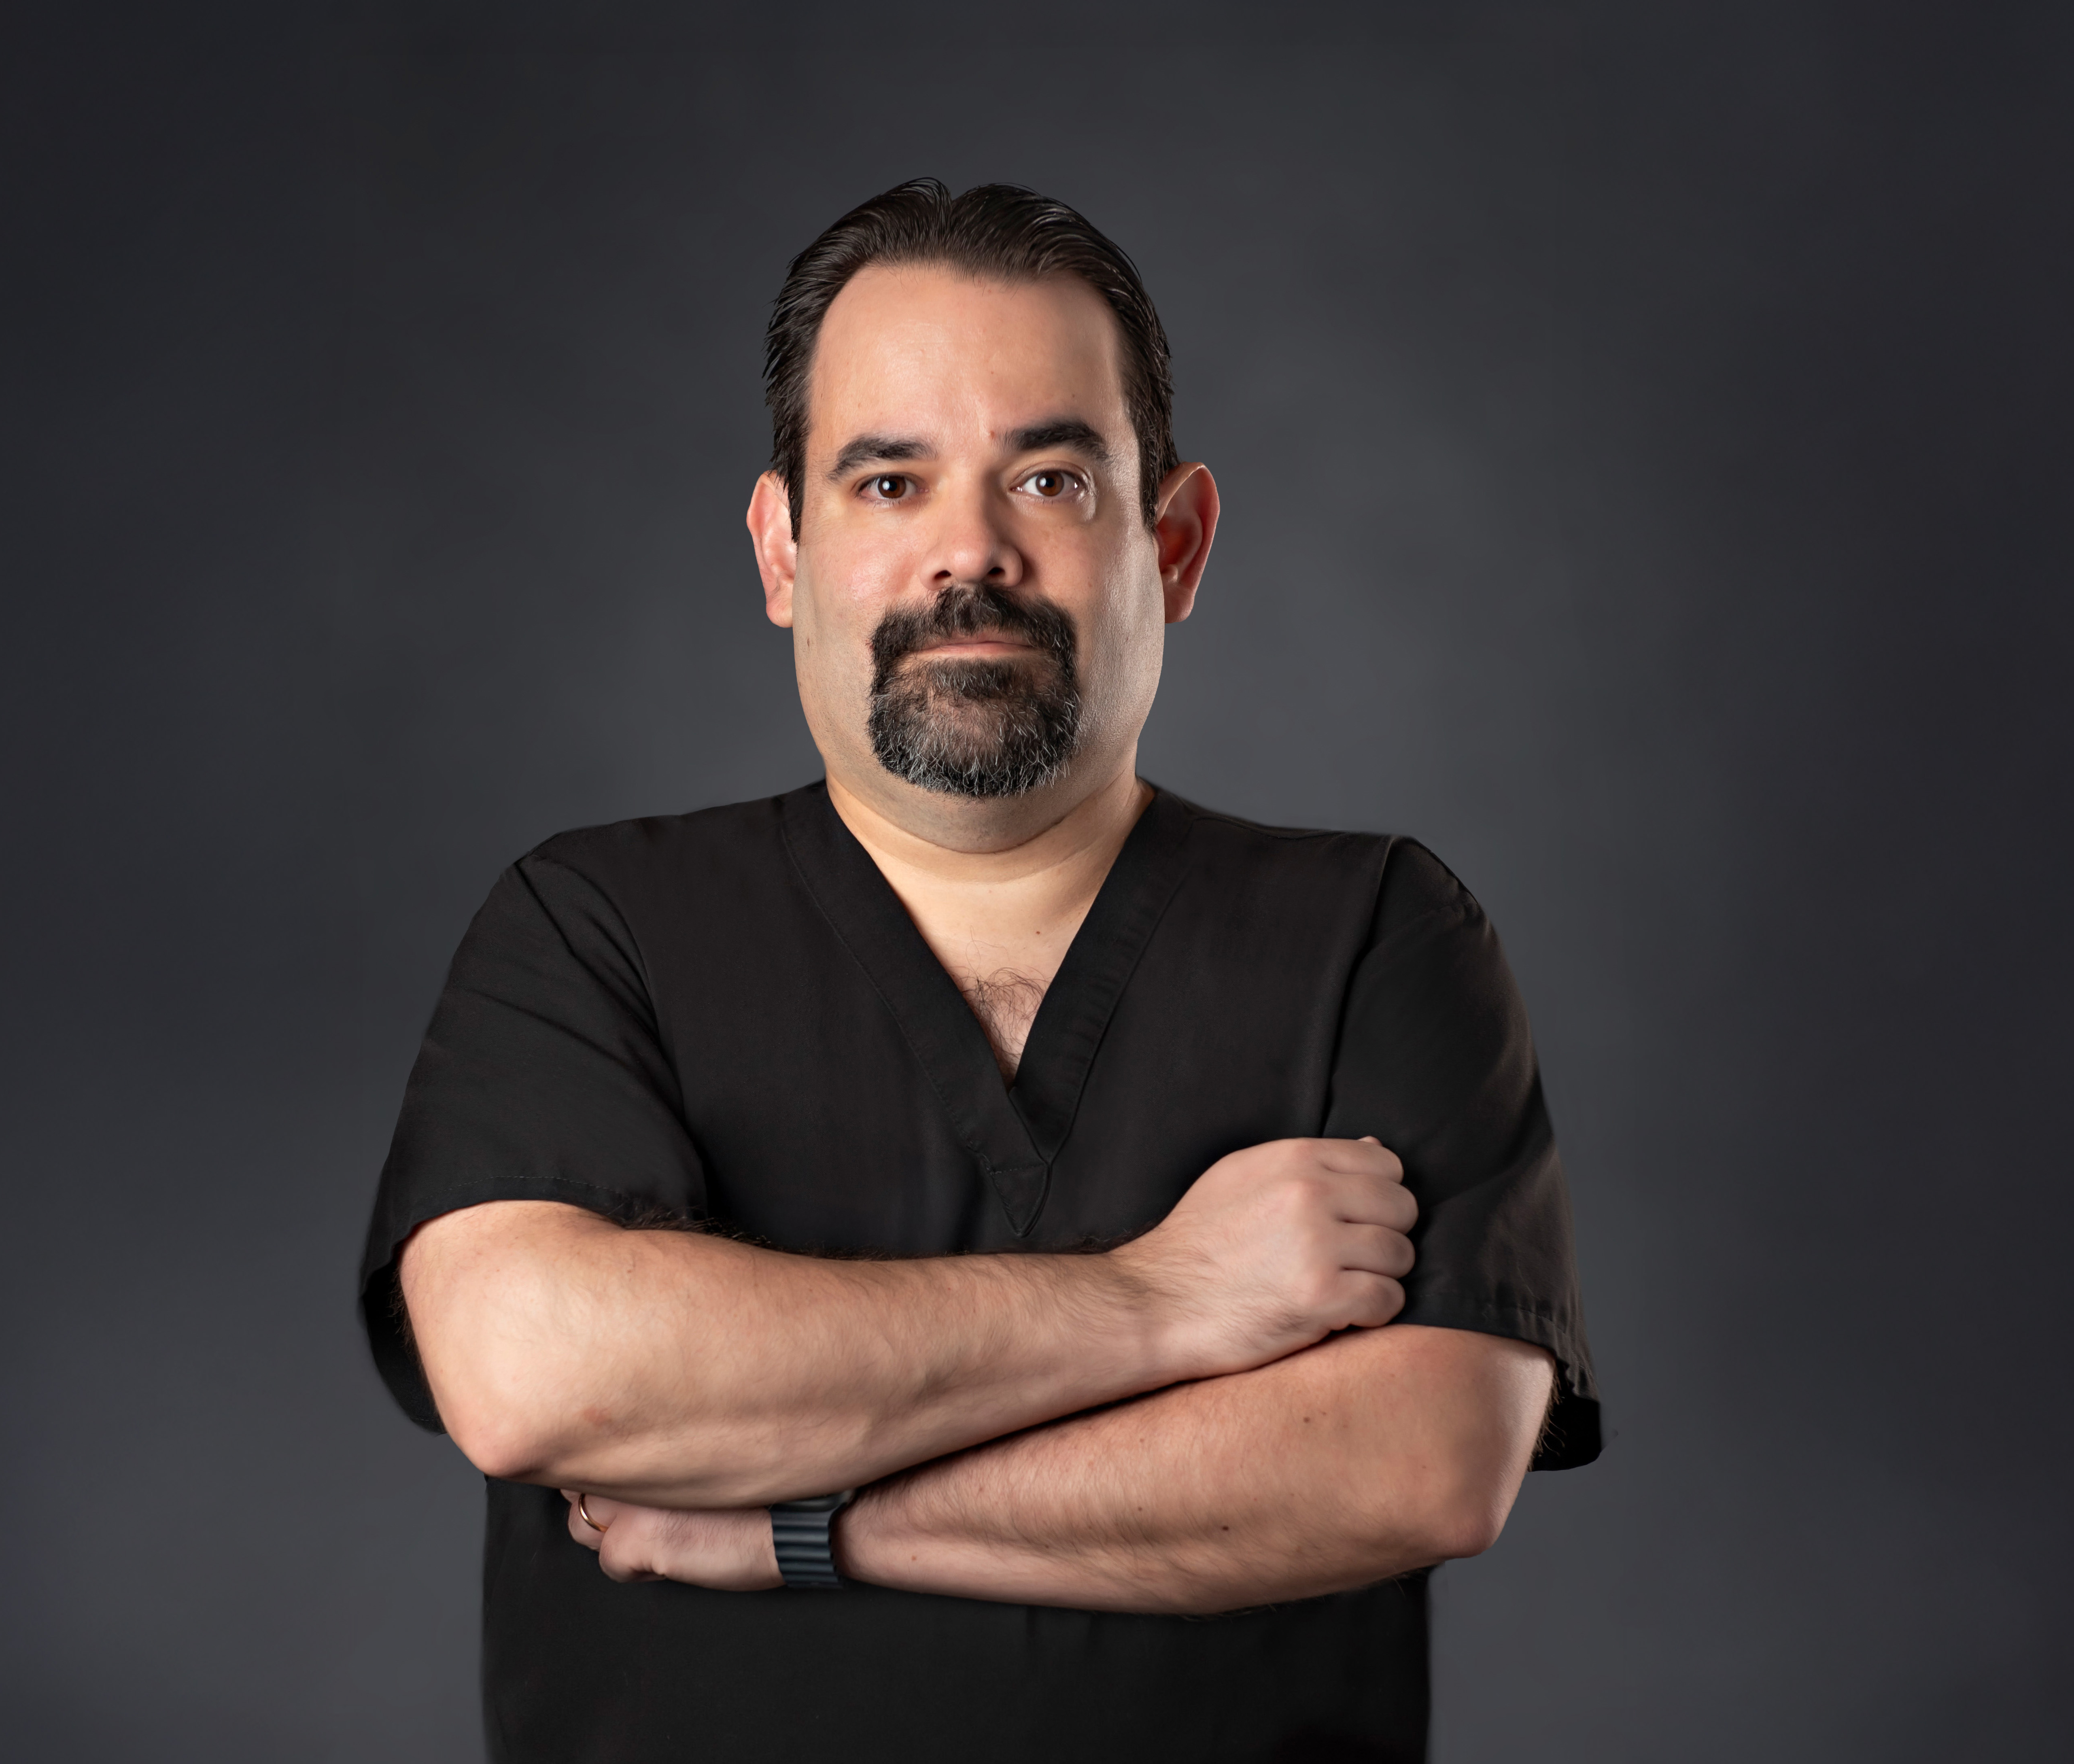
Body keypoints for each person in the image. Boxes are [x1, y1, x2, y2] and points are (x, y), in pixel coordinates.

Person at [360, 178, 1598, 1763]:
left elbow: (1418, 1465)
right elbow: (539, 1374)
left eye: (1051, 480)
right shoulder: (594, 927)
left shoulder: (1374, 933)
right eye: (890, 482)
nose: (972, 552)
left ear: (1174, 542)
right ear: (783, 550)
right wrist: (1165, 1301)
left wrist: (811, 1525)